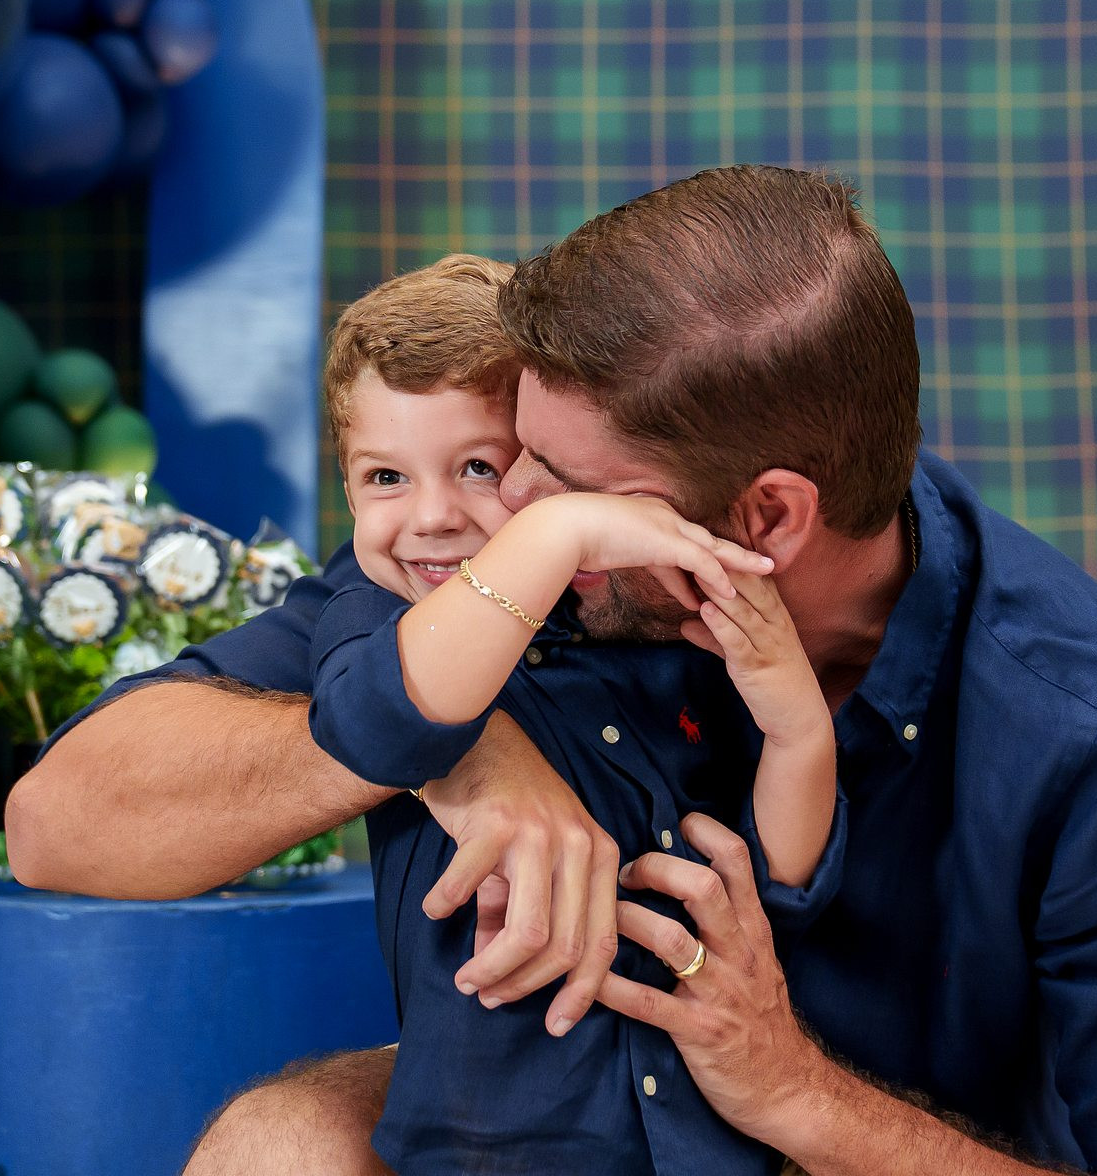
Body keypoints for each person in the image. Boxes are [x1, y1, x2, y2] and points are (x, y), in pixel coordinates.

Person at [9, 165, 1097, 1175]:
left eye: (568, 489)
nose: (505, 509)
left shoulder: (1091, 723)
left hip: (869, 1149)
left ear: (767, 519)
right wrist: (456, 746)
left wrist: (795, 1091)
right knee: (284, 1143)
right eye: (510, 453)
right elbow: (59, 826)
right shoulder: (499, 575)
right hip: (571, 1122)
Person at [307, 250, 840, 1173]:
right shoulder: (374, 618)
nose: (431, 517)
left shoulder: (648, 621)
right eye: (384, 478)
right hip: (490, 1146)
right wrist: (559, 533)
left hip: (706, 1143)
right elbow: (379, 729)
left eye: (478, 467)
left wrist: (799, 731)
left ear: (544, 471)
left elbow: (780, 887)